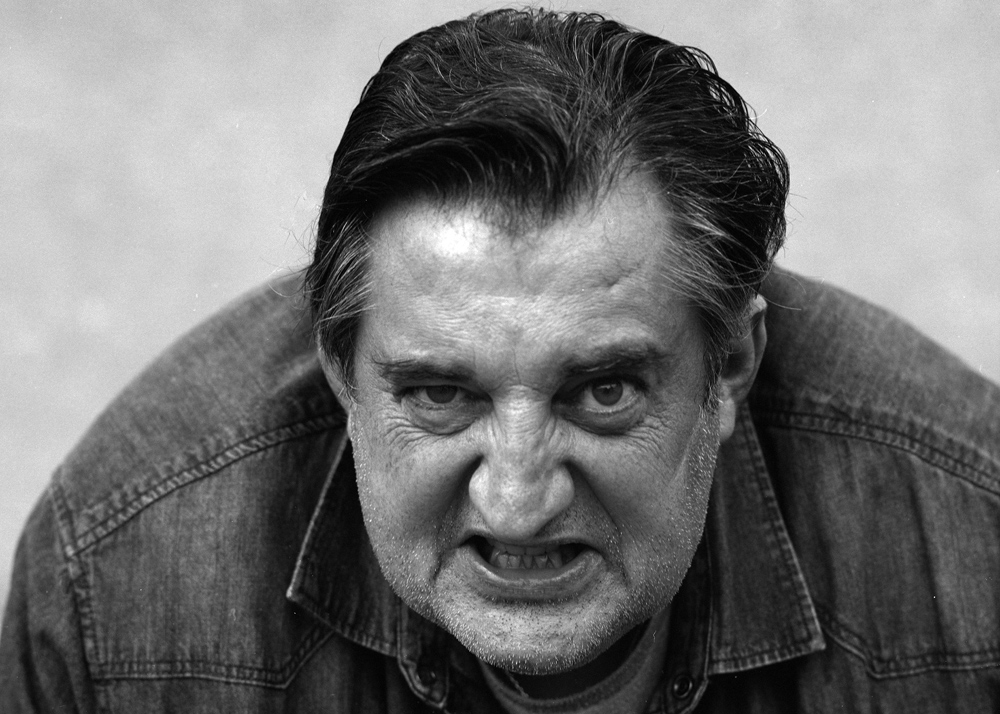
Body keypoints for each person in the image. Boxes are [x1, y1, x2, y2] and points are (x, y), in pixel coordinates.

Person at [2, 8, 998, 713]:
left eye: (602, 391)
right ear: (341, 370)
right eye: (441, 395)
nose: (518, 503)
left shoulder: (972, 542)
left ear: (730, 366)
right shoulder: (119, 579)